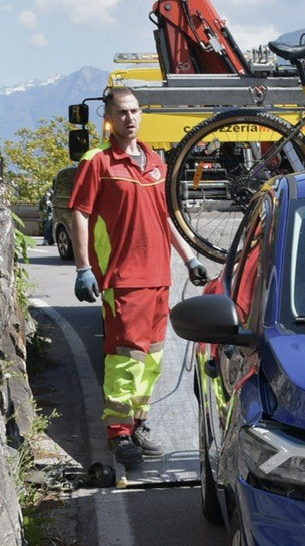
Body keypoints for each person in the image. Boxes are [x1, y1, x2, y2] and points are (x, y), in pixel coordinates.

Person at [69, 86, 209, 466]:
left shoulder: (155, 162)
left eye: (134, 111)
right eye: (121, 112)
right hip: (123, 279)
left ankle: (137, 423)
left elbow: (165, 217)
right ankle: (118, 433)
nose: (129, 118)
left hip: (159, 276)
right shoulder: (98, 162)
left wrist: (190, 259)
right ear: (108, 119)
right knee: (125, 358)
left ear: (141, 114)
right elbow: (79, 212)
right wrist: (83, 268)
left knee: (152, 358)